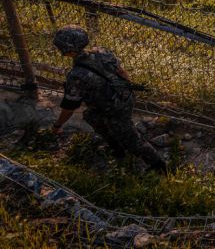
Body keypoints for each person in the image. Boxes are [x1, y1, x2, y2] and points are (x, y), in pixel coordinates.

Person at [50, 25, 167, 173]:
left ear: (68, 51)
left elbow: (69, 106)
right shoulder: (102, 52)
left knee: (132, 141)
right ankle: (116, 148)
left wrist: (57, 125)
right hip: (124, 98)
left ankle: (160, 166)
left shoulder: (77, 75)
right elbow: (122, 73)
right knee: (91, 116)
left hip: (114, 109)